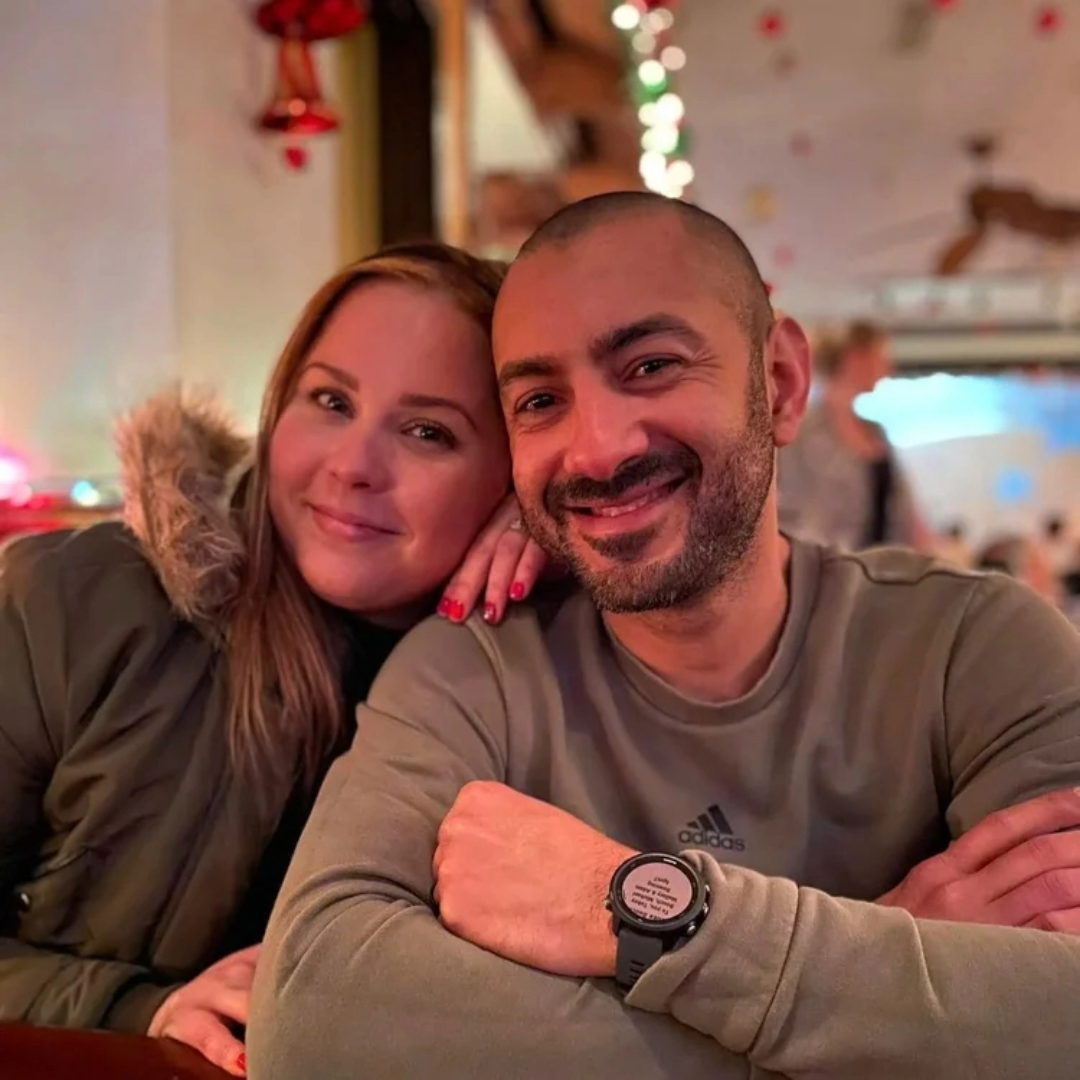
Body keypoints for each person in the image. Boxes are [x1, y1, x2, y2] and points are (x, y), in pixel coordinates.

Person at [249, 195, 1080, 1080]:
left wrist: (623, 908)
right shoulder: (471, 663)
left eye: (650, 366)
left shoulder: (976, 648)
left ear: (781, 382)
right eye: (540, 400)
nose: (597, 450)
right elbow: (312, 1016)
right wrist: (880, 997)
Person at [0, 242, 546, 1076]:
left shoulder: (539, 682)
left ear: (509, 478)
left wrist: (560, 534)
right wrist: (136, 1011)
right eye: (331, 400)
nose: (353, 466)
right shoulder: (78, 603)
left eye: (427, 432)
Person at [777, 319, 935, 551]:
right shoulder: (801, 431)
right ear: (856, 359)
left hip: (882, 566)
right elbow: (793, 513)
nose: (889, 367)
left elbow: (904, 513)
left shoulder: (874, 431)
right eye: (881, 357)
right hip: (825, 565)